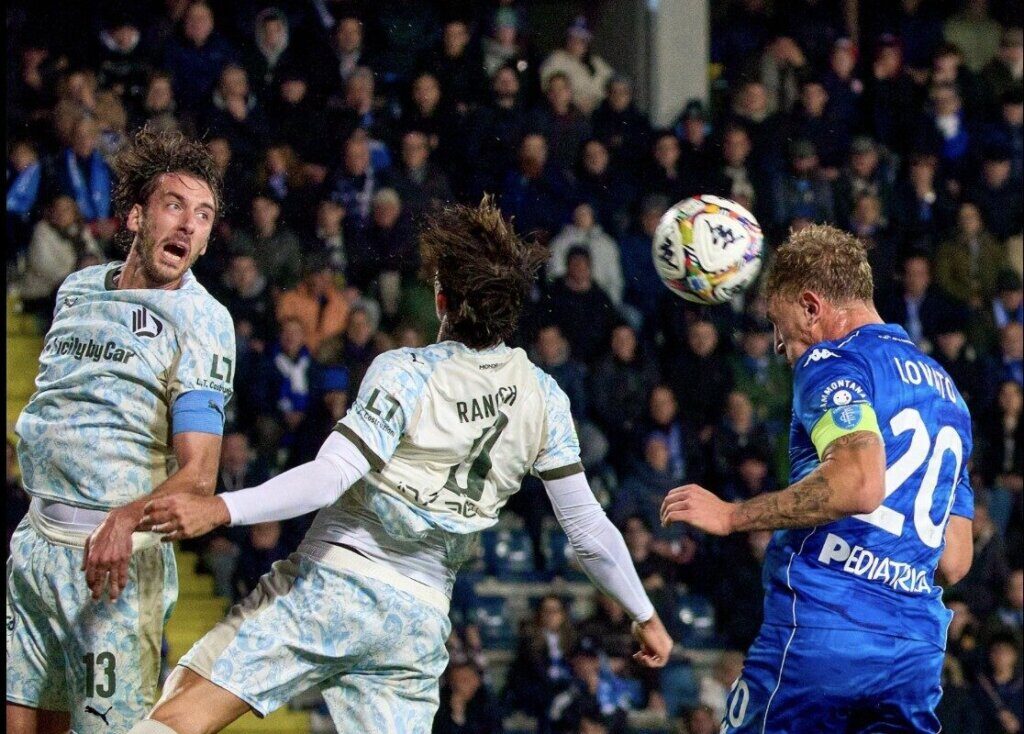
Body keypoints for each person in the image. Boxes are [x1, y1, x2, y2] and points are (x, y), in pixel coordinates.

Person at [129, 197, 673, 734]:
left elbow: (329, 477)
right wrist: (644, 615)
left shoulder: (408, 371)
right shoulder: (545, 398)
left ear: (441, 300)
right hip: (417, 621)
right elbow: (588, 531)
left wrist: (222, 508)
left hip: (334, 585)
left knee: (179, 715)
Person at [663, 224, 975, 732]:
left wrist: (732, 515)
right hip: (912, 655)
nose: (778, 344)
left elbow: (859, 484)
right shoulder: (949, 396)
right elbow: (955, 561)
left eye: (778, 322)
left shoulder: (833, 360)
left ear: (811, 306)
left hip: (823, 634)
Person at [6, 129, 234, 734]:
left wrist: (126, 520)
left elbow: (200, 475)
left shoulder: (203, 322)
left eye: (203, 215)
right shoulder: (78, 289)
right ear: (136, 216)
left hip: (115, 565)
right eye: (175, 205)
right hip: (34, 548)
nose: (188, 225)